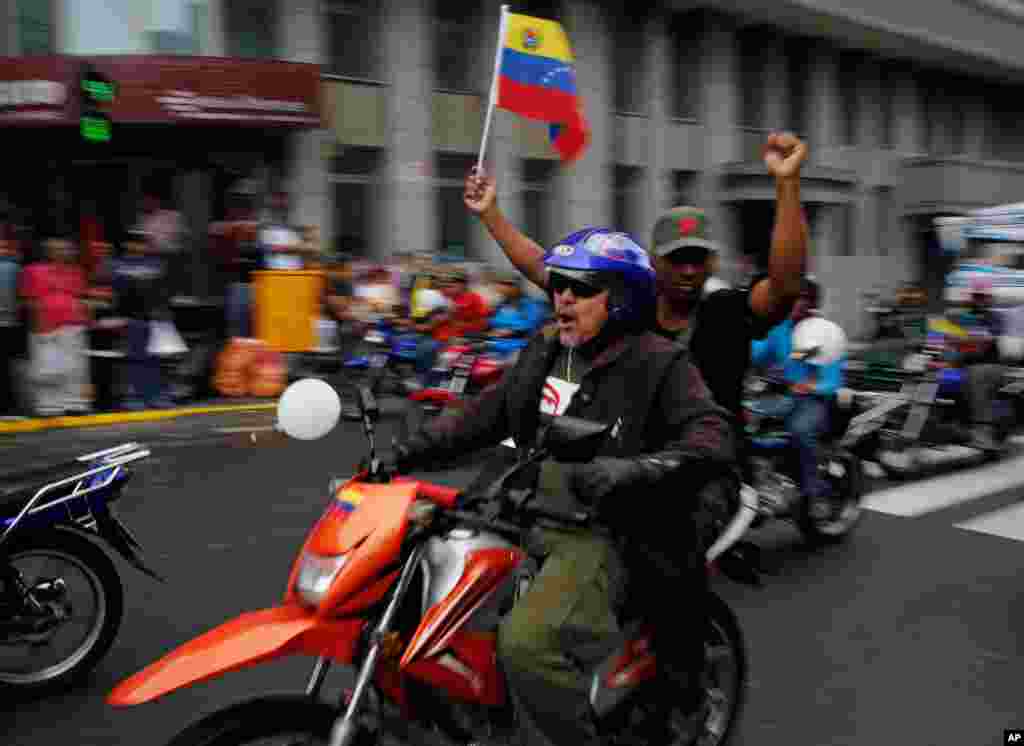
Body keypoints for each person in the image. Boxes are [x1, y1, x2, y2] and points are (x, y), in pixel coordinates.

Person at [392, 228, 737, 746]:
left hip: (604, 526)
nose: (563, 297)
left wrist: (636, 469)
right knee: (420, 595)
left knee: (528, 643)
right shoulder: (547, 350)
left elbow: (711, 434)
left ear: (620, 299)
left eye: (581, 287)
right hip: (524, 510)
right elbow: (480, 417)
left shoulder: (660, 362)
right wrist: (401, 455)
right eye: (558, 285)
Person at [463, 132, 809, 440]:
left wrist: (788, 182)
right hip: (629, 471)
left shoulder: (727, 311)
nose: (688, 270)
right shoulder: (629, 308)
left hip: (710, 476)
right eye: (677, 258)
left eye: (698, 258)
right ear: (654, 261)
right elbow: (546, 268)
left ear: (713, 263)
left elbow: (785, 285)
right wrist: (490, 213)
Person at [751, 279, 844, 505]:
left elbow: (832, 380)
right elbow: (759, 354)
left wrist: (809, 386)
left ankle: (814, 491)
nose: (791, 303)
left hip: (814, 400)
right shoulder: (780, 329)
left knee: (799, 430)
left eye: (798, 298)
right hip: (782, 396)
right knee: (742, 422)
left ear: (810, 303)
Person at [18, 234, 93, 416]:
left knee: (76, 367)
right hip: (46, 324)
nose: (65, 252)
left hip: (74, 323)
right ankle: (48, 405)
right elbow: (28, 300)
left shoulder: (76, 271)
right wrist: (37, 324)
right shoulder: (33, 270)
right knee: (48, 368)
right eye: (59, 249)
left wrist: (86, 317)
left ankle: (75, 403)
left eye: (67, 249)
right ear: (48, 252)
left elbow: (82, 297)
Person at [953, 276, 1006, 451]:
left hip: (988, 365)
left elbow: (985, 342)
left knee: (977, 374)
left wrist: (962, 345)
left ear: (989, 298)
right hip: (964, 363)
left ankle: (983, 431)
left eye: (983, 297)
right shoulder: (962, 317)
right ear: (971, 298)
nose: (979, 300)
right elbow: (944, 335)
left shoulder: (995, 318)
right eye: (977, 296)